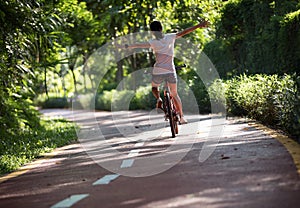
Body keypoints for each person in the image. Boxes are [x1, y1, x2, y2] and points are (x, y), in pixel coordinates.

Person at [118, 20, 209, 124]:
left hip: (158, 71)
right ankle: (182, 117)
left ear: (152, 32)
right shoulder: (170, 37)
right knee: (174, 94)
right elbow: (184, 32)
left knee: (154, 87)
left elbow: (138, 45)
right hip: (170, 70)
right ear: (161, 28)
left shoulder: (153, 42)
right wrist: (199, 25)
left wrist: (126, 46)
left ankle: (159, 98)